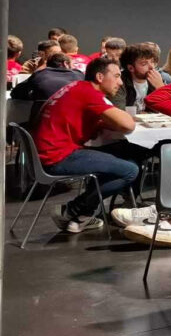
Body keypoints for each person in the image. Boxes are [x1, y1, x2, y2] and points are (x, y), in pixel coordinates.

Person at [32, 57, 138, 233]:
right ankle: (72, 210)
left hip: (47, 152)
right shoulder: (90, 94)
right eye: (117, 76)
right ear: (99, 77)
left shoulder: (77, 87)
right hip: (58, 157)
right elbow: (128, 125)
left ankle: (81, 217)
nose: (120, 82)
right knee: (130, 170)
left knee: (115, 160)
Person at [112, 43, 165, 113]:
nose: (151, 67)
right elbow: (118, 112)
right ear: (131, 68)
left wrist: (161, 88)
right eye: (144, 64)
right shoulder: (119, 82)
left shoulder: (157, 78)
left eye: (152, 62)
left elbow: (169, 109)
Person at [11, 53, 82, 101]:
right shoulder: (79, 75)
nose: (73, 67)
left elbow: (16, 93)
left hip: (42, 120)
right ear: (65, 64)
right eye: (72, 65)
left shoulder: (39, 74)